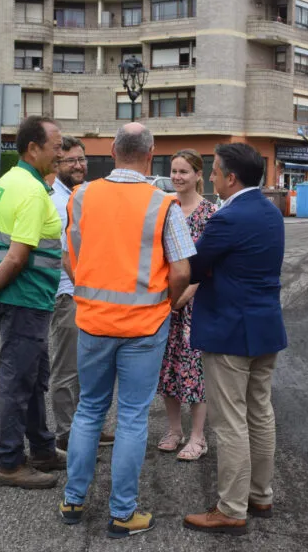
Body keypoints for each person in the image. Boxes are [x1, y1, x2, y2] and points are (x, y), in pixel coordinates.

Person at [58, 123, 196, 539]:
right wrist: (168, 303)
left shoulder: (82, 196)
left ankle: (73, 500)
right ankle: (122, 513)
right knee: (133, 417)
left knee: (89, 410)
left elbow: (69, 257)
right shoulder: (164, 204)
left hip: (93, 323)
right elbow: (182, 270)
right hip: (144, 327)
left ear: (113, 151)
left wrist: (89, 293)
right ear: (150, 154)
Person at [183, 143, 287, 536]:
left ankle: (230, 509)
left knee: (229, 422)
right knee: (259, 413)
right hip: (265, 327)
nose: (210, 177)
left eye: (213, 170)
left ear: (231, 178)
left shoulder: (227, 217)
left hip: (229, 331)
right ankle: (260, 494)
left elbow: (195, 266)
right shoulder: (270, 211)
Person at [0, 115, 66, 489]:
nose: (60, 153)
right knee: (18, 383)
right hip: (26, 300)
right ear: (33, 148)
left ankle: (42, 449)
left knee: (33, 379)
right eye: (56, 147)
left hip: (18, 299)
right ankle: (10, 463)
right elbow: (18, 256)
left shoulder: (6, 183)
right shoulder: (33, 192)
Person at [49, 136, 115, 451]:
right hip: (70, 295)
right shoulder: (57, 202)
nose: (78, 166)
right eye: (70, 161)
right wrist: (85, 290)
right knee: (67, 369)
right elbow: (65, 257)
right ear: (56, 165)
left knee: (89, 367)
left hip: (88, 294)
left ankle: (87, 429)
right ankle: (66, 435)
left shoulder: (84, 194)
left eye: (81, 159)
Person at [157, 149, 217, 461]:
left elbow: (207, 265)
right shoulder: (165, 207)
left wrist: (183, 297)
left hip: (194, 303)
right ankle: (173, 430)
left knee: (195, 370)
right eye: (174, 171)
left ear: (197, 175)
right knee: (167, 368)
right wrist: (169, 299)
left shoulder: (209, 213)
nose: (177, 177)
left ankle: (197, 436)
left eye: (184, 171)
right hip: (166, 300)